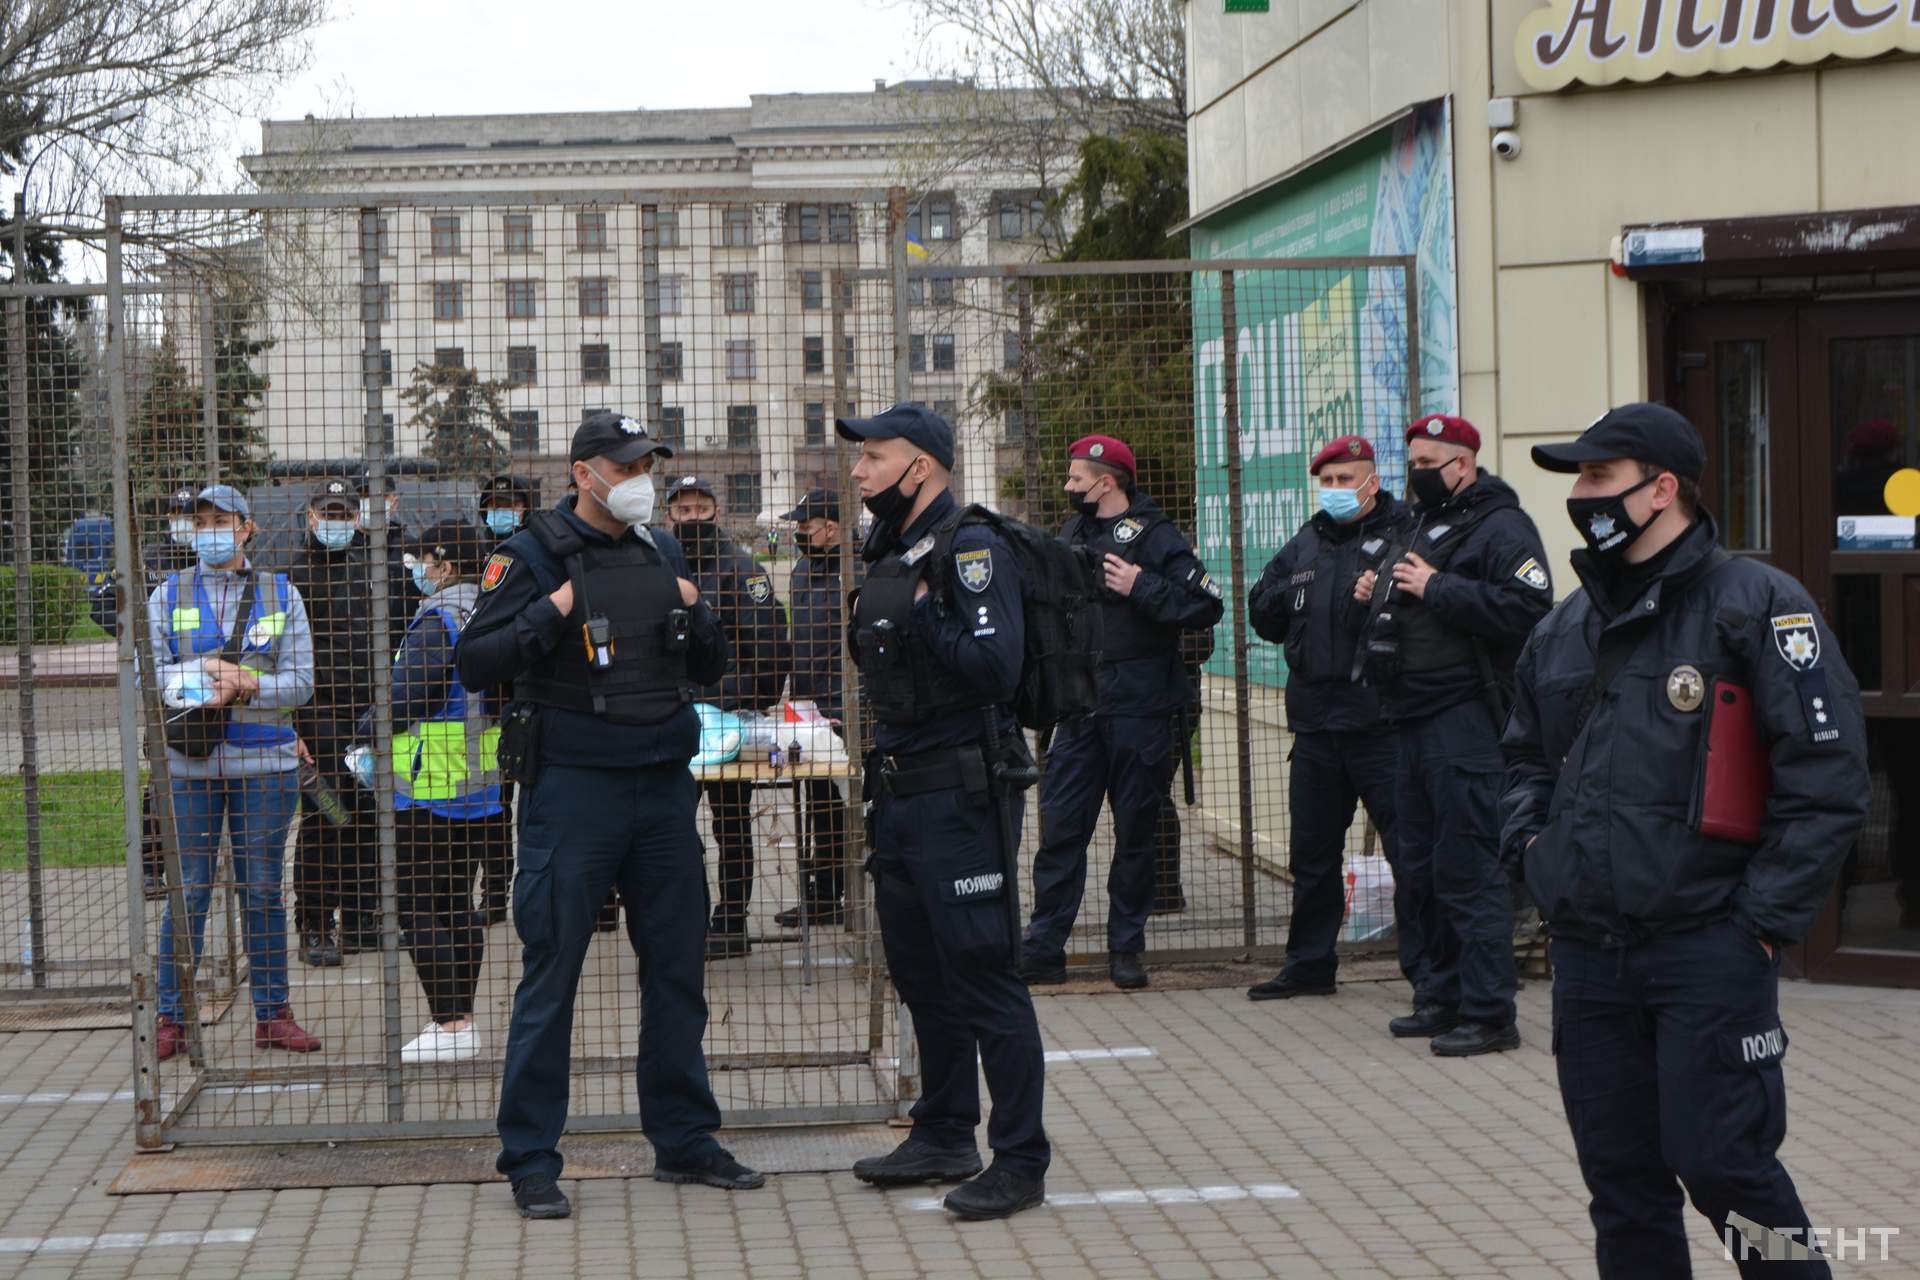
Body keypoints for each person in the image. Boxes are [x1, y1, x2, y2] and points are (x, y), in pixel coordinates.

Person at [1503, 403, 1869, 1278]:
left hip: (1710, 948)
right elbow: (1520, 761)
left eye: (1598, 477)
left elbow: (1828, 780)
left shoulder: (1758, 605)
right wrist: (1533, 854)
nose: (1582, 495)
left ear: (1662, 489)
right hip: (1590, 959)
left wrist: (1761, 926)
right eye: (1580, 479)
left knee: (1726, 1167)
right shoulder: (1564, 627)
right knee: (1623, 1188)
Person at [457, 410, 763, 1220]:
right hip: (574, 790)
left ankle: (686, 1139)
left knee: (677, 969)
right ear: (583, 472)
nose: (640, 480)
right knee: (551, 975)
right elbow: (476, 661)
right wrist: (553, 608)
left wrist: (696, 611)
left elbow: (710, 663)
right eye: (626, 467)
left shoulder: (662, 550)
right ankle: (529, 1158)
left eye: (646, 466)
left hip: (662, 787)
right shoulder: (527, 555)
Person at [840, 403, 1050, 1220]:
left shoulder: (970, 548)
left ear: (919, 466)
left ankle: (1021, 1159)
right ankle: (944, 1132)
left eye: (873, 459)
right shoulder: (895, 547)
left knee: (985, 976)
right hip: (901, 794)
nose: (859, 474)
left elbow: (996, 668)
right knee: (923, 975)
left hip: (963, 798)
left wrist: (927, 610)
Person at [1352, 414, 1551, 1055]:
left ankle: (1490, 1013)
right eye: (1411, 461)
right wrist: (1377, 588)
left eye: (1427, 462)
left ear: (1463, 465)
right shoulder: (1420, 522)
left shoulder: (1502, 526)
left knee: (1468, 870)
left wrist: (1438, 586)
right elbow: (1409, 592)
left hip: (1465, 722)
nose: (1415, 474)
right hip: (1409, 719)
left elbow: (1528, 608)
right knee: (1418, 868)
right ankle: (1438, 996)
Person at [1020, 435, 1222, 991]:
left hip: (1141, 708)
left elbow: (1207, 603)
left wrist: (1141, 585)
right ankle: (1044, 947)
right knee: (1061, 830)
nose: (1068, 487)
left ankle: (1126, 949)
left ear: (1106, 482)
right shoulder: (1071, 535)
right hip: (1081, 709)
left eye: (1076, 479)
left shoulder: (1157, 537)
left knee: (1136, 832)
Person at [149, 484, 321, 1062]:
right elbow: (151, 677)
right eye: (200, 521)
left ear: (247, 527)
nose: (209, 530)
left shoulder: (281, 593)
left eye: (221, 519)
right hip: (188, 768)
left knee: (262, 892)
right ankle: (172, 1016)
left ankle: (272, 1013)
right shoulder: (166, 592)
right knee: (188, 891)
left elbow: (301, 681)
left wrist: (243, 683)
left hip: (266, 768)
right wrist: (206, 680)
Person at [1246, 434, 1418, 1002]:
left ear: (1373, 480)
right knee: (1313, 854)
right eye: (1328, 481)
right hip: (1316, 724)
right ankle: (1310, 965)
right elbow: (1263, 608)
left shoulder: (1405, 533)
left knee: (1408, 850)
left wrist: (1383, 597)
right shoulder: (1308, 541)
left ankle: (1429, 973)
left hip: (1379, 724)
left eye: (1347, 480)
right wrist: (1274, 603)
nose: (1336, 491)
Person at [357, 520, 500, 1063]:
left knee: (418, 908)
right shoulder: (485, 614)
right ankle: (461, 1020)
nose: (414, 569)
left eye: (420, 559)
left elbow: (406, 696)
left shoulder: (437, 620)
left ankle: (450, 1023)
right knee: (457, 905)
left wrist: (364, 729)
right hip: (476, 785)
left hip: (427, 786)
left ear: (444, 564)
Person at [663, 474, 789, 960]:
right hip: (672, 718)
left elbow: (770, 646)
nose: (691, 518)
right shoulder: (659, 567)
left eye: (700, 509)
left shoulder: (742, 570)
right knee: (671, 824)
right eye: (683, 510)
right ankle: (684, 918)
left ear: (715, 512)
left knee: (730, 822)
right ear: (669, 514)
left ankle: (731, 921)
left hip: (725, 720)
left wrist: (752, 700)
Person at [286, 478, 381, 966]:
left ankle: (362, 918)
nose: (337, 523)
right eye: (329, 514)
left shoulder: (369, 571)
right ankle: (316, 925)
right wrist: (294, 727)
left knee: (365, 816)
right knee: (326, 817)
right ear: (311, 518)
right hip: (318, 719)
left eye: (345, 515)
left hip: (367, 719)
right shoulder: (294, 576)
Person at [777, 488, 860, 928]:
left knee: (853, 807)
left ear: (831, 528)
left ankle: (857, 895)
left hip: (851, 709)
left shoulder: (858, 569)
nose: (799, 534)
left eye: (805, 527)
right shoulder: (803, 571)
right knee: (819, 804)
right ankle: (823, 894)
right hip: (810, 709)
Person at [475, 474, 534, 924]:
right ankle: (494, 893)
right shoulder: (480, 558)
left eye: (509, 504)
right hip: (485, 705)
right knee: (494, 806)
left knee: (536, 801)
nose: (501, 511)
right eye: (493, 504)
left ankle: (529, 889)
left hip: (530, 701)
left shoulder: (536, 556)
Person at [140, 485, 203, 898]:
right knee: (160, 778)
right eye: (177, 513)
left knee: (214, 774)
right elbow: (111, 605)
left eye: (190, 514)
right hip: (165, 682)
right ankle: (151, 867)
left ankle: (211, 867)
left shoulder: (210, 558)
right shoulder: (150, 557)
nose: (182, 521)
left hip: (210, 683)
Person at [479, 474, 534, 541]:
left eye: (511, 505)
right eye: (494, 505)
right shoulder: (478, 543)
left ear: (527, 508)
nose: (501, 511)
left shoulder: (537, 546)